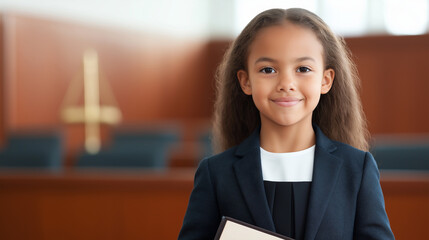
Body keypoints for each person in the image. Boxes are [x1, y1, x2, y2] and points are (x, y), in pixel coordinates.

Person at [178, 8, 394, 240]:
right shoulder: (216, 173)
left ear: (326, 79)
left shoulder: (357, 169)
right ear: (245, 81)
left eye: (303, 69)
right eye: (268, 70)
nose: (286, 83)